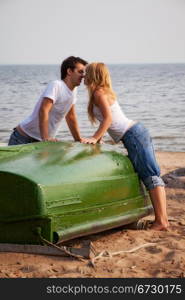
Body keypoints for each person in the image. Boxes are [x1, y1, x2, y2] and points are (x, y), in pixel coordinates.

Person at [84, 62, 169, 231]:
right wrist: (98, 143)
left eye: (86, 73)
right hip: (134, 134)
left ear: (94, 75)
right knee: (151, 175)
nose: (84, 76)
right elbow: (107, 120)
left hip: (134, 135)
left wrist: (94, 137)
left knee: (151, 176)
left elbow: (108, 119)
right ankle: (162, 219)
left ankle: (161, 221)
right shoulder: (101, 92)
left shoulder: (99, 93)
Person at [8, 56, 88, 145]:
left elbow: (71, 116)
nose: (83, 76)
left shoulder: (73, 91)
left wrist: (78, 139)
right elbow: (43, 110)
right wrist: (45, 138)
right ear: (69, 71)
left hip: (40, 140)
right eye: (80, 72)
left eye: (84, 72)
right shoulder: (56, 85)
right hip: (23, 138)